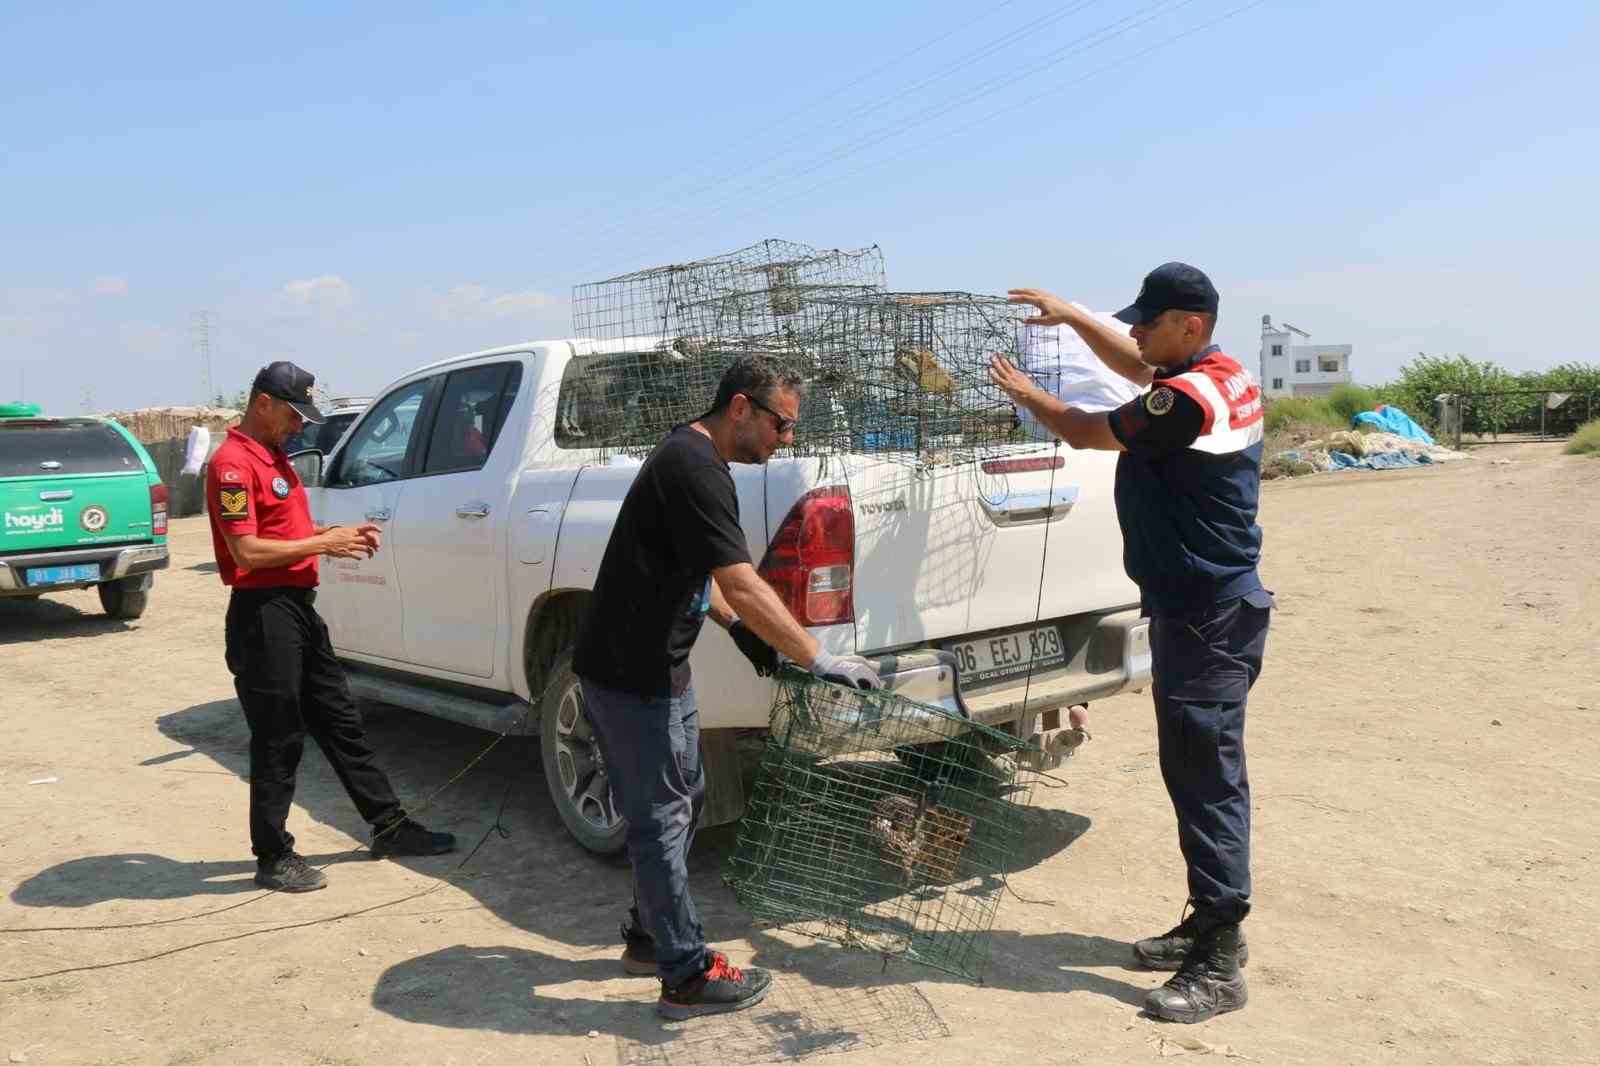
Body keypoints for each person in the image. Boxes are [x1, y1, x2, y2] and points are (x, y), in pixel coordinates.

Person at [990, 263, 1271, 1024]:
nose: (1138, 331)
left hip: (1205, 617)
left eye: (1149, 321)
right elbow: (1138, 364)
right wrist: (1073, 319)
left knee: (1207, 779)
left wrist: (1026, 395)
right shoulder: (1221, 375)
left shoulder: (1184, 400)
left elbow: (1087, 429)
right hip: (1209, 609)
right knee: (1191, 770)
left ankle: (1219, 957)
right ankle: (1204, 923)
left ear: (1192, 324)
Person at [572, 354, 881, 1021]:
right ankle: (684, 973)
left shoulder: (699, 461)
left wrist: (737, 626)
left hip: (662, 666)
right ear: (741, 407)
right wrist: (816, 656)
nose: (786, 439)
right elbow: (740, 574)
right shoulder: (694, 466)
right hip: (631, 672)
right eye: (781, 424)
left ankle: (651, 939)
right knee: (661, 817)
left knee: (682, 798)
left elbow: (704, 571)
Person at [206, 361, 457, 893]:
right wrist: (324, 544)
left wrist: (330, 532)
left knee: (341, 721)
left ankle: (389, 826)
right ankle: (273, 855)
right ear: (263, 404)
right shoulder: (231, 464)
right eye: (293, 415)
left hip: (296, 608)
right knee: (278, 736)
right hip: (262, 612)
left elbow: (281, 530)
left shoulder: (272, 455)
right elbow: (246, 551)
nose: (300, 427)